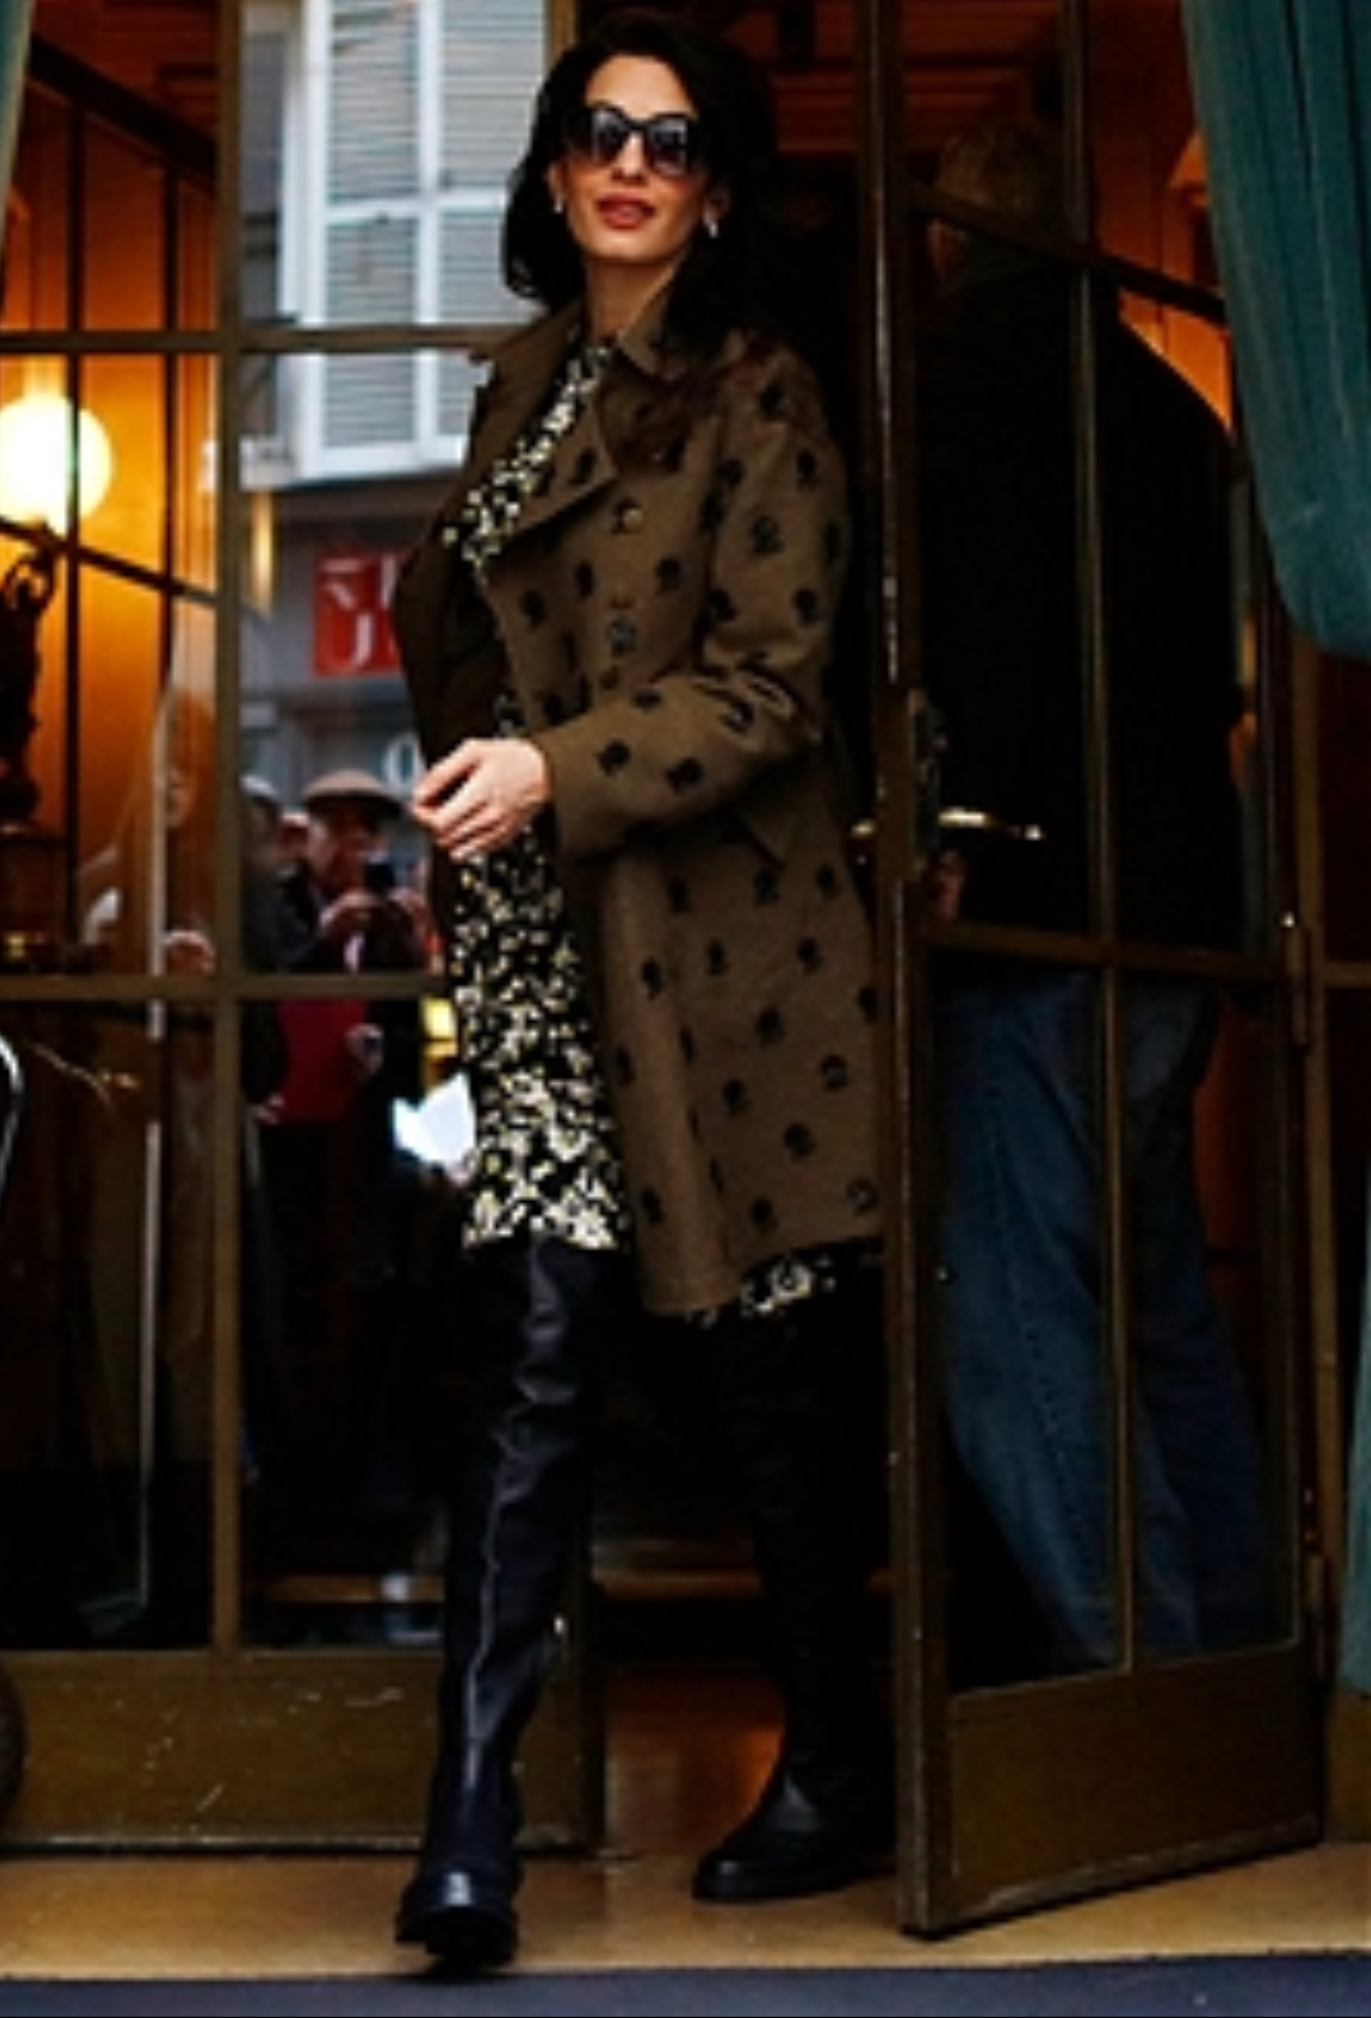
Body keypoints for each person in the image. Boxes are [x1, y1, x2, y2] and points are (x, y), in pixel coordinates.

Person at [387, 6, 886, 1974]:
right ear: (550, 165)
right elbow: (478, 645)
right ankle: (467, 1827)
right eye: (599, 131)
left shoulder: (756, 390)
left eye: (669, 144)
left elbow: (771, 684)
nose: (628, 165)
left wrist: (549, 768)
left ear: (716, 190)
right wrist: (476, 804)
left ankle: (836, 1757)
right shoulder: (518, 385)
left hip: (714, 956)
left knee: (767, 1372)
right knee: (527, 1351)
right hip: (534, 931)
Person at [915, 123, 1271, 1673]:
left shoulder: (949, 393)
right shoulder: (1172, 407)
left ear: (946, 238)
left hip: (1026, 908)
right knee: (1153, 1304)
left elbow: (965, 664)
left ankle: (1136, 1686)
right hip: (1175, 908)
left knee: (1016, 1324)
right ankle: (1234, 1669)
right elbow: (1214, 677)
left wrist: (937, 842)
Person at [251, 767, 433, 1582]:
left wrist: (382, 1053)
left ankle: (368, 1476)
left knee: (374, 1296)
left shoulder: (391, 926)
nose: (354, 846)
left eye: (369, 830)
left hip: (363, 1145)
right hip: (290, 1144)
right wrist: (325, 939)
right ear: (308, 833)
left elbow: (413, 1043)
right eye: (339, 828)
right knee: (296, 1299)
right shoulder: (281, 907)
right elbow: (265, 1000)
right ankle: (302, 1483)